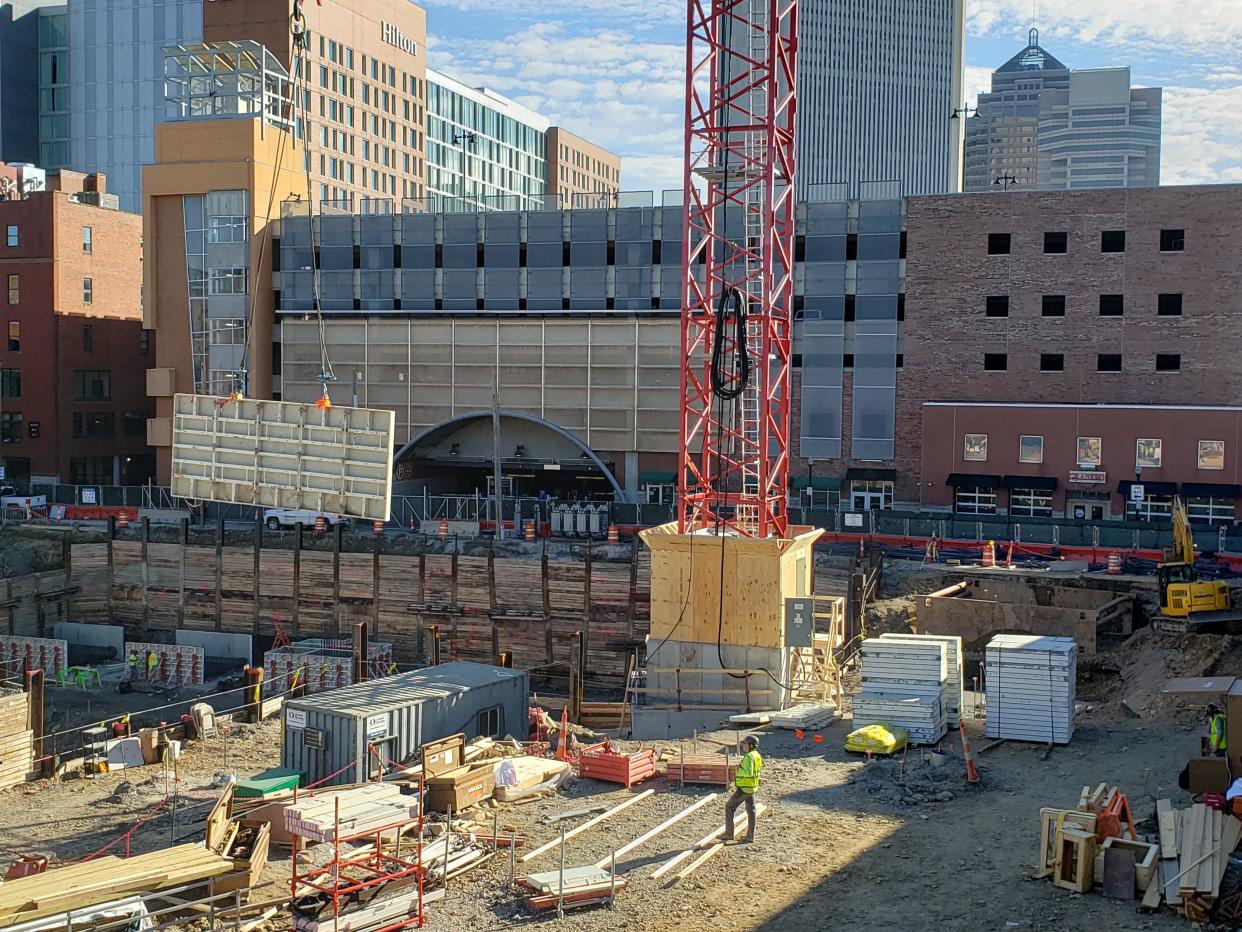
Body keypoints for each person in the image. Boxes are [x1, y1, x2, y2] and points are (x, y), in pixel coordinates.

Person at [723, 735, 763, 843]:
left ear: (750, 745)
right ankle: (750, 836)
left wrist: (739, 768)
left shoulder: (749, 757)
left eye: (745, 744)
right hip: (752, 787)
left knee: (729, 807)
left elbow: (748, 772)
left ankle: (729, 834)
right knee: (751, 811)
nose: (743, 746)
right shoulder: (756, 755)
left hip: (744, 788)